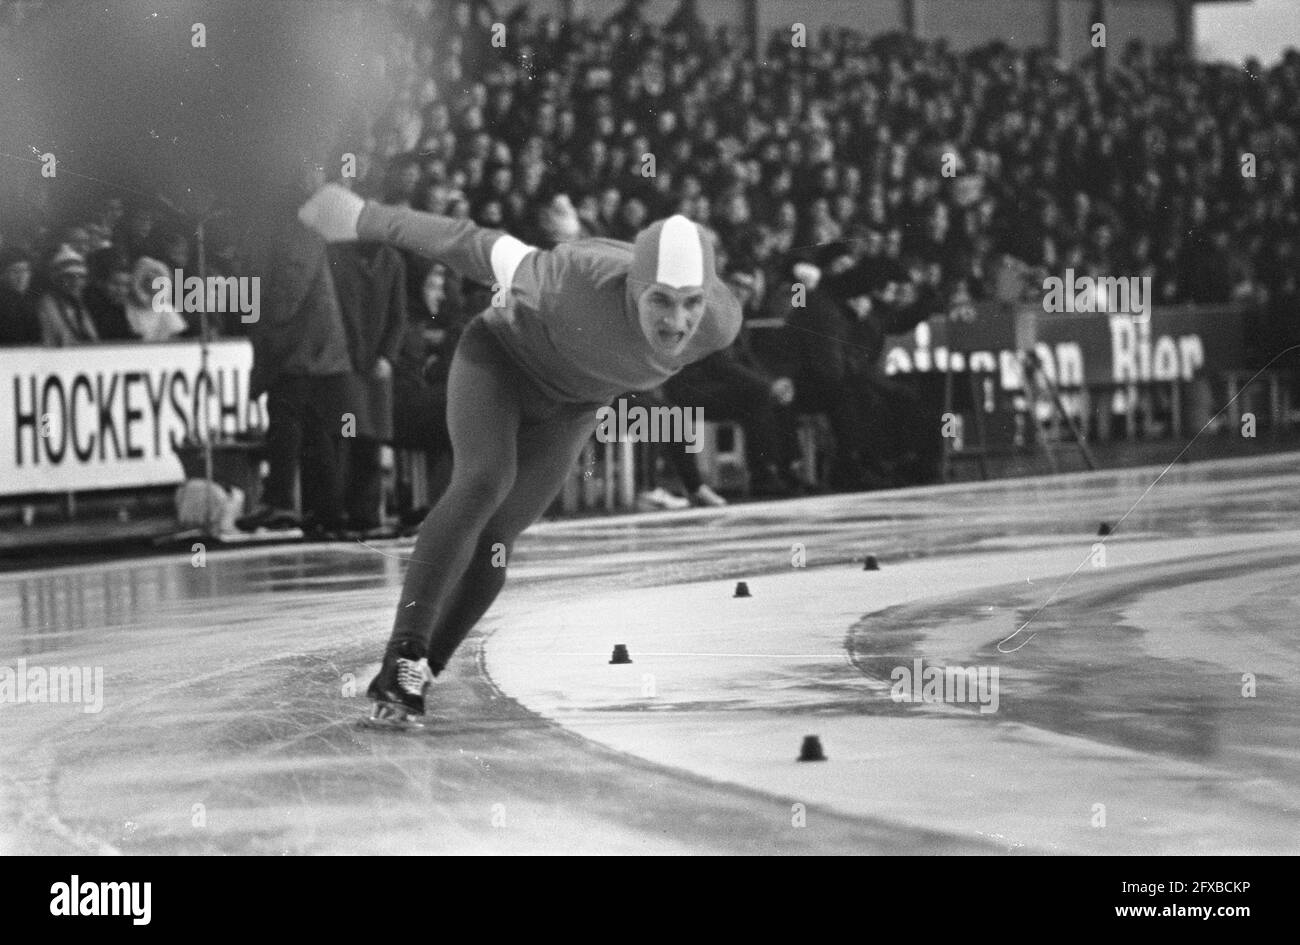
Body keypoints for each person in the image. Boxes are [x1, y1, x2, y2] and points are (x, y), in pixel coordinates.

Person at [296, 182, 741, 727]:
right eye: (661, 301)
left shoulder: (720, 323)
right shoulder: (567, 282)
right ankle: (403, 653)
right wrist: (363, 217)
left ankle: (424, 671)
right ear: (633, 288)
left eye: (691, 302)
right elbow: (466, 241)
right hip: (499, 362)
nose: (676, 322)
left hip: (573, 406)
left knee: (498, 538)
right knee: (485, 481)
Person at [35, 246, 98, 346]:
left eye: (80, 276)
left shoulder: (79, 304)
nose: (76, 282)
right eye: (69, 276)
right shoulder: (47, 305)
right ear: (56, 279)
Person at [0, 248, 38, 346]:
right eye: (15, 271)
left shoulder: (29, 301)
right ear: (2, 275)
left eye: (25, 270)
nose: (22, 277)